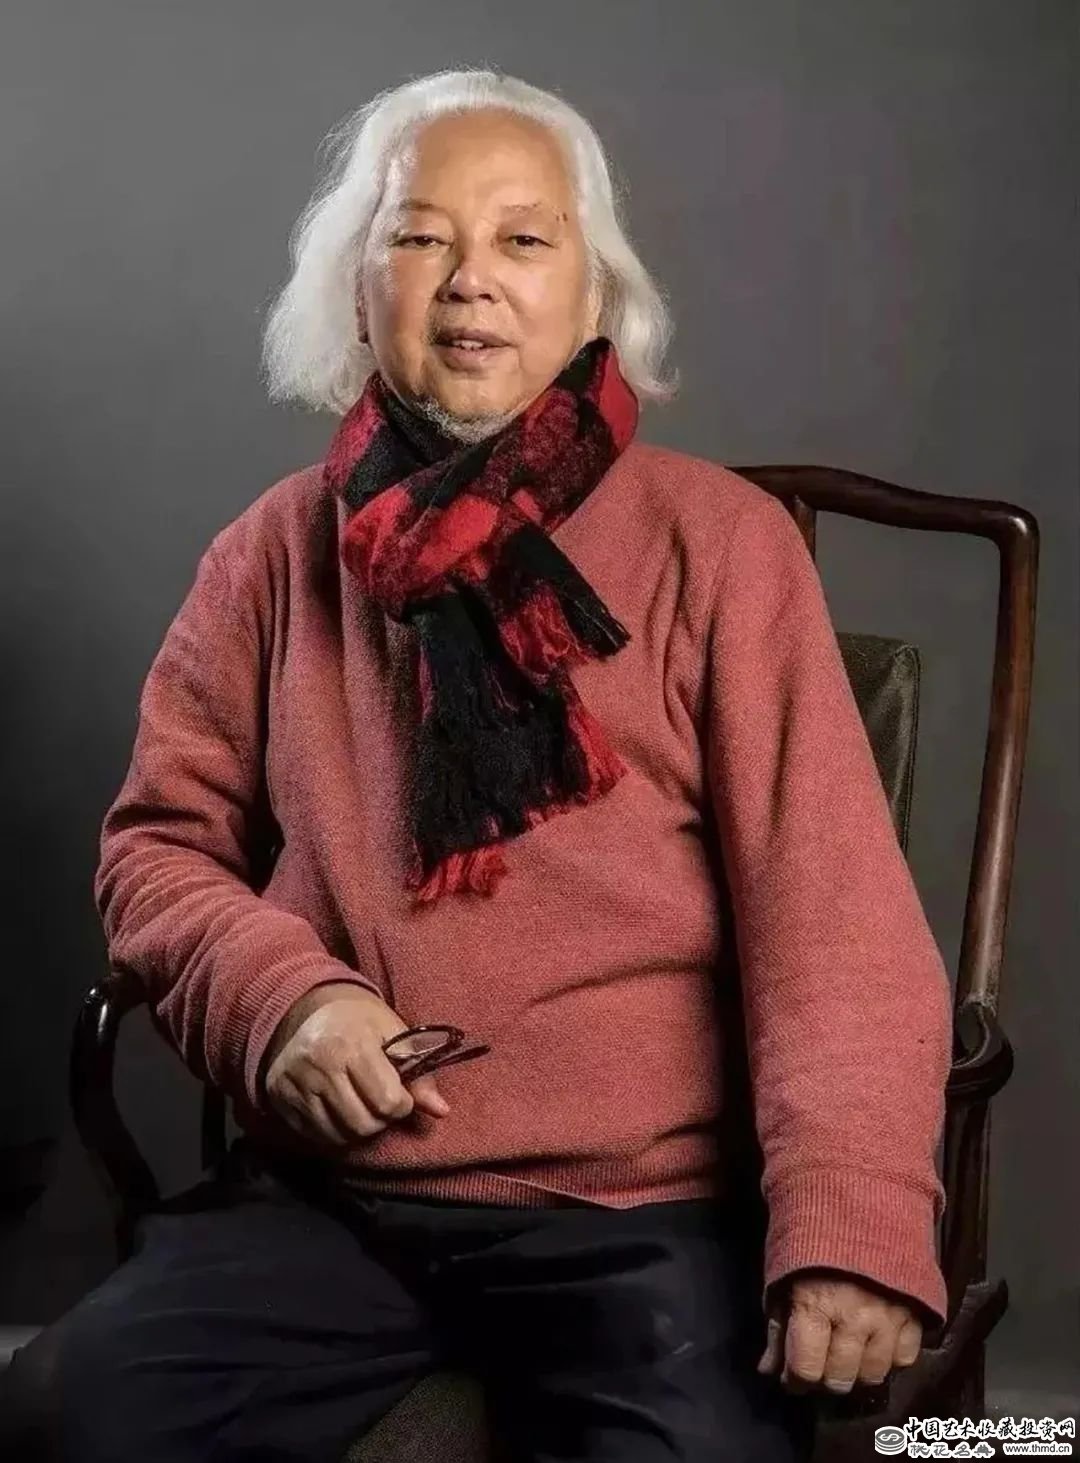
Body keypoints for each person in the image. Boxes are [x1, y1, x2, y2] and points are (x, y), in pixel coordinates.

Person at [1, 67, 953, 1463]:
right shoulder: (271, 554)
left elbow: (838, 915)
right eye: (419, 236)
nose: (469, 282)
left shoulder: (723, 547)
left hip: (644, 1216)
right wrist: (282, 1004)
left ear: (593, 291)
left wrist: (852, 1221)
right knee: (60, 1420)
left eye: (523, 238)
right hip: (335, 1207)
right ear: (359, 289)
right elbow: (156, 850)